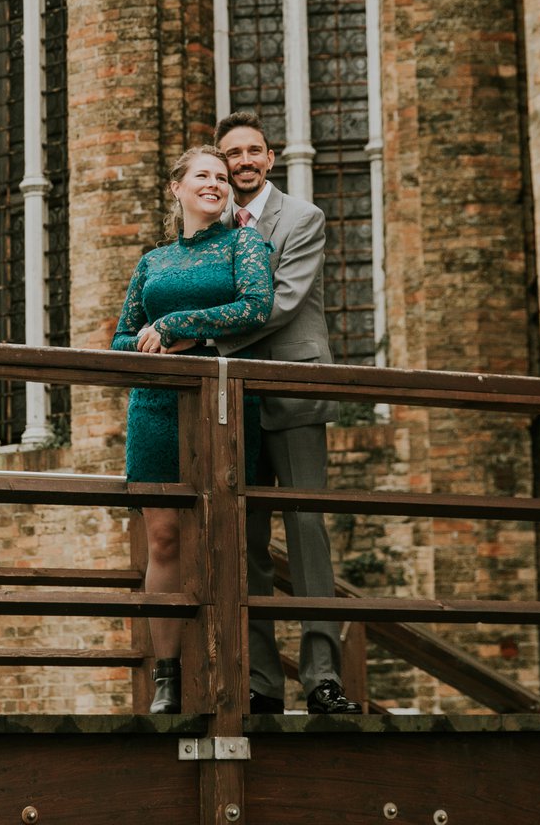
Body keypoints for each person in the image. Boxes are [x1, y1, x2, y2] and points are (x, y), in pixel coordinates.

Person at [110, 144, 275, 714]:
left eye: (222, 177)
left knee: (220, 537)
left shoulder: (244, 243)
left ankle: (225, 671)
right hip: (155, 406)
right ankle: (167, 676)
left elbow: (255, 306)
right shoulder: (153, 261)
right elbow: (120, 339)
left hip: (221, 405)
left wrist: (180, 326)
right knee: (163, 540)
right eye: (202, 175)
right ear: (176, 188)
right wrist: (153, 341)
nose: (216, 184)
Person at [215, 110, 362, 715]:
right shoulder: (213, 226)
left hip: (295, 391)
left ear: (270, 158)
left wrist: (201, 337)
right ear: (222, 164)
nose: (244, 161)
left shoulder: (302, 218)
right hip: (235, 402)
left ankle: (322, 678)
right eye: (233, 154)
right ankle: (261, 683)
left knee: (307, 534)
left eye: (253, 151)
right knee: (246, 540)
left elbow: (280, 303)